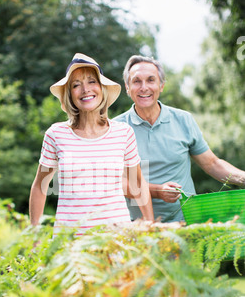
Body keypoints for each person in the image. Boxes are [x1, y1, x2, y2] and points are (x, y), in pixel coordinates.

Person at [29, 53, 154, 236]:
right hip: (69, 245)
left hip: (117, 242)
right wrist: (34, 234)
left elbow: (138, 184)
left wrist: (150, 227)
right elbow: (40, 186)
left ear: (102, 88)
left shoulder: (123, 133)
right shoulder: (56, 134)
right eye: (76, 85)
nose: (85, 89)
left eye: (91, 82)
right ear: (70, 94)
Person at [115, 55, 245, 224]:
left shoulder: (183, 120)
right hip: (139, 228)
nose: (144, 87)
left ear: (161, 85)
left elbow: (212, 164)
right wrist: (158, 191)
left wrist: (243, 178)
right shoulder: (116, 128)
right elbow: (115, 183)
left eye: (151, 80)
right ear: (127, 87)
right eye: (136, 81)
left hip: (187, 223)